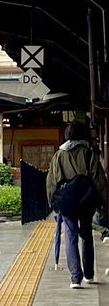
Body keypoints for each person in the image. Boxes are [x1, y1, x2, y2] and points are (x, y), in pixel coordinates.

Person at [46, 122, 107, 289]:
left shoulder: (58, 155)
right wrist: (104, 201)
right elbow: (99, 179)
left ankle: (75, 278)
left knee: (71, 236)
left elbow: (51, 181)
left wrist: (53, 202)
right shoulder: (88, 153)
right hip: (86, 200)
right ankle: (89, 274)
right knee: (86, 235)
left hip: (67, 201)